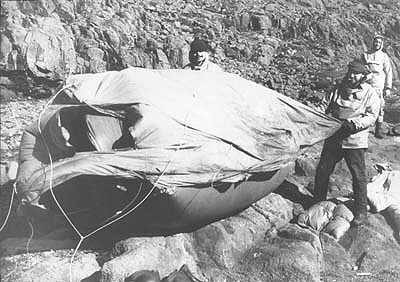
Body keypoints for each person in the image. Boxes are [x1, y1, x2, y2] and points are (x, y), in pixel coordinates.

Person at [313, 60, 381, 226]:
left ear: (363, 76)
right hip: (334, 137)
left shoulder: (370, 93)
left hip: (354, 141)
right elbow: (324, 105)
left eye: (356, 73)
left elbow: (372, 116)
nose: (351, 76)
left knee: (358, 176)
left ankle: (361, 211)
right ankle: (316, 203)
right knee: (323, 170)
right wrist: (314, 113)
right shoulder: (338, 88)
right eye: (350, 72)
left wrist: (354, 123)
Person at [362, 33, 393, 138]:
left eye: (379, 42)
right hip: (366, 83)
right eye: (376, 41)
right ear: (373, 42)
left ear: (382, 44)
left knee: (380, 106)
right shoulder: (365, 54)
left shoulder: (384, 56)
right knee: (364, 104)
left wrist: (388, 87)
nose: (377, 44)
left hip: (379, 84)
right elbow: (360, 68)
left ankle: (378, 130)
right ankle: (363, 128)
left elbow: (389, 72)